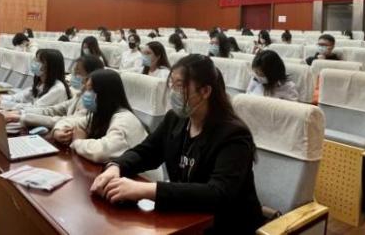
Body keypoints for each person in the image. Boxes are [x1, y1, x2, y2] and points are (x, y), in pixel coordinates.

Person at [91, 54, 264, 235]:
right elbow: (146, 152)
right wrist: (116, 166)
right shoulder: (175, 120)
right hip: (185, 217)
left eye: (180, 86)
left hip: (227, 225)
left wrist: (147, 190)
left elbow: (218, 193)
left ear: (205, 91)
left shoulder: (234, 135)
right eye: (172, 85)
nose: (173, 92)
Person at [52, 69, 149, 163]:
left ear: (105, 93)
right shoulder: (102, 114)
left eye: (90, 90)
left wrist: (77, 141)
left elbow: (101, 152)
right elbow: (71, 121)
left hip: (139, 174)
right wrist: (58, 131)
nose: (85, 94)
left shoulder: (124, 119)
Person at [4, 55, 104, 128]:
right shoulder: (80, 95)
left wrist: (21, 117)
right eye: (73, 71)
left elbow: (66, 121)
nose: (73, 75)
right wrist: (20, 112)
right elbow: (52, 110)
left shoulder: (92, 102)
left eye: (77, 72)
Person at [0, 49, 71, 110]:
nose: (35, 63)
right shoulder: (41, 83)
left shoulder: (58, 89)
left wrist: (2, 103)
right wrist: (1, 97)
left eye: (39, 61)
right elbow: (21, 97)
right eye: (35, 60)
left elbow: (35, 108)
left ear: (51, 67)